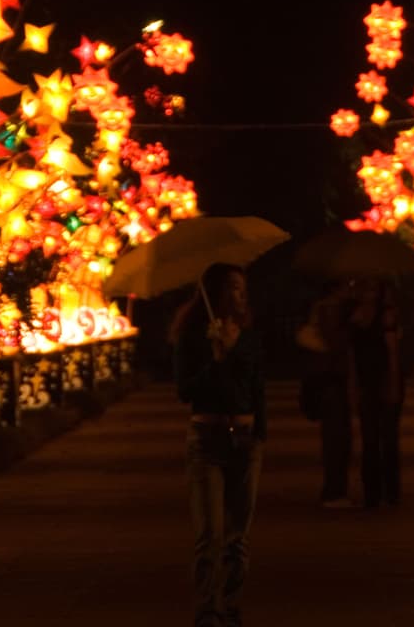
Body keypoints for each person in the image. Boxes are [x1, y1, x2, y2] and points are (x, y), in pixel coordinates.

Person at [172, 263, 266, 627]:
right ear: (212, 293)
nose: (237, 296)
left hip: (244, 438)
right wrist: (215, 359)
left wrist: (261, 435)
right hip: (206, 438)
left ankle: (228, 597)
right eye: (230, 289)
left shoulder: (250, 336)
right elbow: (186, 390)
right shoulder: (191, 337)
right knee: (209, 533)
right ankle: (209, 605)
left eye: (242, 289)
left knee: (237, 536)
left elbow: (256, 388)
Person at [296, 281, 355, 508]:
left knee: (338, 436)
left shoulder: (327, 308)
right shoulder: (330, 309)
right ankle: (334, 492)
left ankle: (335, 489)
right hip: (332, 379)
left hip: (331, 378)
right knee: (336, 436)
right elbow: (335, 343)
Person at [349, 278, 403, 509]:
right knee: (370, 439)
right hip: (365, 381)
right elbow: (351, 353)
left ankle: (391, 493)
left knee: (388, 439)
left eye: (373, 287)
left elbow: (392, 353)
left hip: (383, 379)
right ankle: (372, 493)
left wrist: (393, 382)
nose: (368, 292)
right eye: (365, 287)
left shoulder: (386, 315)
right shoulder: (354, 315)